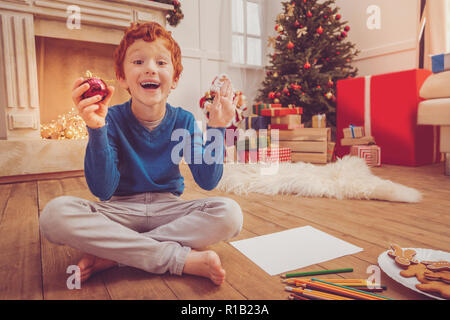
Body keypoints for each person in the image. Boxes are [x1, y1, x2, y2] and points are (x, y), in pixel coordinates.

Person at [39, 22, 243, 286]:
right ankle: (174, 258)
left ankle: (118, 255)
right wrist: (97, 130)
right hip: (119, 210)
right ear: (121, 77)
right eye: (138, 61)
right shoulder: (109, 118)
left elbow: (208, 180)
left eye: (161, 62)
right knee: (54, 216)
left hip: (168, 208)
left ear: (175, 78)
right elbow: (103, 188)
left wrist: (217, 128)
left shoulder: (184, 120)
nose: (150, 68)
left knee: (230, 214)